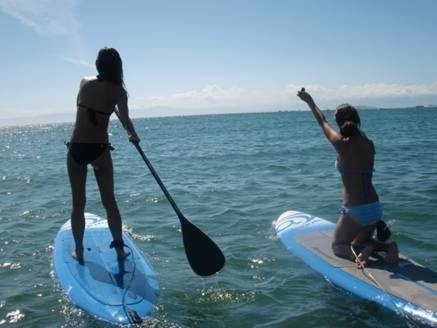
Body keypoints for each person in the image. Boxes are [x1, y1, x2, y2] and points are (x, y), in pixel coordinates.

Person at [297, 88, 398, 267]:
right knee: (358, 242)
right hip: (375, 207)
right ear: (357, 120)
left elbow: (322, 121)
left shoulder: (341, 143)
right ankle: (388, 247)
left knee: (338, 246)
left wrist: (310, 101)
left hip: (355, 209)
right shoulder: (369, 143)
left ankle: (359, 255)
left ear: (339, 122)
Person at [67, 47, 140, 263]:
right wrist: (133, 135)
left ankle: (79, 251)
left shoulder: (84, 82)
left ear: (98, 65)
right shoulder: (119, 91)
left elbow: (82, 105)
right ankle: (119, 250)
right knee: (110, 202)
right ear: (118, 67)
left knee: (78, 204)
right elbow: (126, 120)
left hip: (77, 147)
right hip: (99, 148)